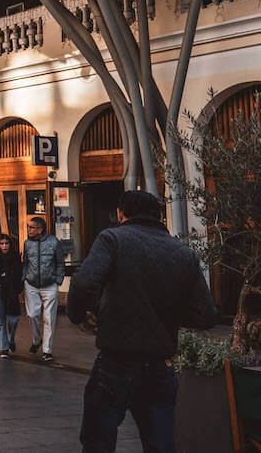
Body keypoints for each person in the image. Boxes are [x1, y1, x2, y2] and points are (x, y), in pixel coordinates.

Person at [69, 191, 216, 452]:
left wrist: (80, 316)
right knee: (159, 442)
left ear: (120, 214)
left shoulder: (112, 238)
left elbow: (83, 281)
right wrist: (167, 314)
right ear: (160, 216)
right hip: (161, 364)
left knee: (98, 440)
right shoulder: (183, 252)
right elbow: (204, 315)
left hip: (116, 360)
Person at [21, 216, 64, 362]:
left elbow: (60, 263)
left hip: (50, 285)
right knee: (32, 315)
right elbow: (25, 262)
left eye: (31, 227)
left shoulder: (54, 242)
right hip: (31, 284)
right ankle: (36, 340)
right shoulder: (27, 244)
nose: (28, 230)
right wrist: (24, 278)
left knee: (49, 318)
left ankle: (47, 350)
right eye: (28, 227)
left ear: (40, 229)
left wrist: (58, 280)